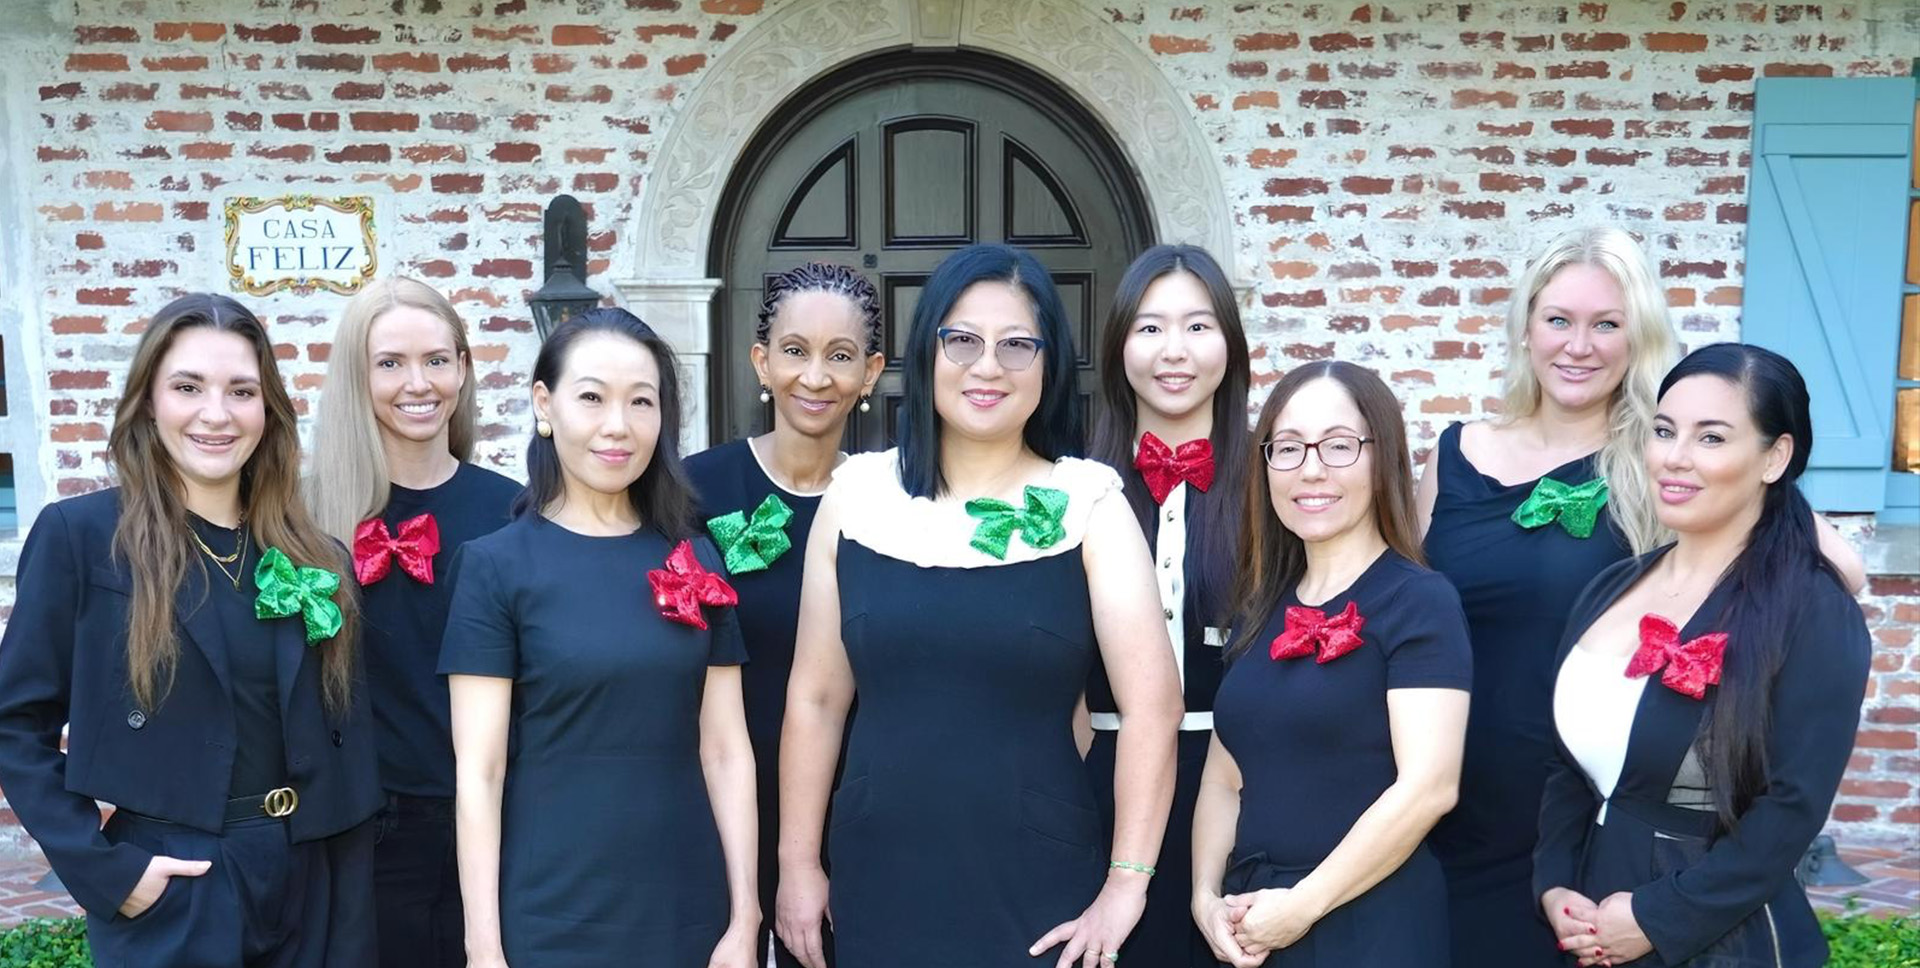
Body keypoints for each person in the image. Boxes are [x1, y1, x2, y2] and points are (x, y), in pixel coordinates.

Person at [1415, 227, 1867, 968]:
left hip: (1582, 801)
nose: (1578, 345)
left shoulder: (1661, 460)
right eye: (1558, 319)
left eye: (1607, 324)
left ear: (1639, 338)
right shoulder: (1455, 454)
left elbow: (1835, 568)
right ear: (1525, 328)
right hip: (1452, 792)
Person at [775, 243, 1183, 968]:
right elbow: (816, 699)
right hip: (879, 872)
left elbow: (1153, 708)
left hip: (1041, 886)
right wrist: (798, 862)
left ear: (1049, 366)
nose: (987, 366)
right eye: (962, 340)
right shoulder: (856, 497)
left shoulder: (1089, 504)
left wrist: (1127, 884)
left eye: (1016, 345)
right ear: (925, 353)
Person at [0, 293, 379, 967]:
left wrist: (347, 897)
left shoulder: (316, 556)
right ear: (149, 401)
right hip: (180, 883)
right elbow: (14, 724)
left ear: (268, 410)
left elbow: (346, 738)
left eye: (242, 391)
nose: (216, 413)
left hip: (314, 876)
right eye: (188, 387)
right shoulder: (82, 539)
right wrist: (108, 872)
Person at [1534, 343, 1871, 968]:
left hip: (1720, 938)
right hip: (1590, 920)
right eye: (1665, 431)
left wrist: (1657, 918)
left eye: (1711, 437)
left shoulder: (1812, 610)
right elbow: (1567, 769)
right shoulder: (1612, 586)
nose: (1674, 457)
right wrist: (1554, 884)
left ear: (1775, 457)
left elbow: (1791, 809)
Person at [440, 309, 758, 967]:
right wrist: (483, 947)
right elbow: (480, 772)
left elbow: (726, 750)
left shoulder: (697, 558)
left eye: (641, 401)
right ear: (544, 404)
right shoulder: (495, 567)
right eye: (592, 397)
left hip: (688, 911)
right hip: (551, 916)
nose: (619, 425)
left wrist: (745, 914)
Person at [1193, 361, 1470, 968]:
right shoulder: (1259, 606)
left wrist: (1302, 906)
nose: (1311, 469)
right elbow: (1223, 778)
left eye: (1339, 446)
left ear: (1382, 457)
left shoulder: (1420, 601)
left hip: (1369, 926)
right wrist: (1205, 897)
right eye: (1289, 447)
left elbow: (1429, 788)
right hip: (1251, 923)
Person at [309, 277, 521, 967]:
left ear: (463, 367)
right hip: (359, 836)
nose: (418, 383)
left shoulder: (516, 511)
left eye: (436, 359)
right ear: (357, 375)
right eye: (390, 363)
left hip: (498, 824)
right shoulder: (304, 518)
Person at [686, 262, 884, 968]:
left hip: (851, 806)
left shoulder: (891, 501)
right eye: (795, 351)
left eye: (841, 355)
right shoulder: (691, 490)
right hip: (714, 799)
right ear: (761, 362)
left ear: (870, 373)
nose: (816, 377)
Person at [1082, 244, 1251, 966]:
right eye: (1149, 328)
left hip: (1243, 785)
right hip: (1101, 783)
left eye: (1198, 326)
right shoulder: (1074, 485)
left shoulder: (1276, 482)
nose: (1173, 351)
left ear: (1230, 343)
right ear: (1119, 345)